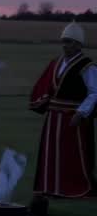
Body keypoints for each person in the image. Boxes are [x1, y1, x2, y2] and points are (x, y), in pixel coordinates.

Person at [30, 21, 96, 198]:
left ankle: (70, 187)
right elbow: (47, 87)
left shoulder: (86, 65)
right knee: (50, 153)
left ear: (78, 44)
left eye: (69, 42)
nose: (65, 45)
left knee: (71, 154)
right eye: (64, 41)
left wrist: (81, 113)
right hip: (53, 117)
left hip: (72, 117)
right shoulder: (57, 63)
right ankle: (50, 187)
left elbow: (94, 92)